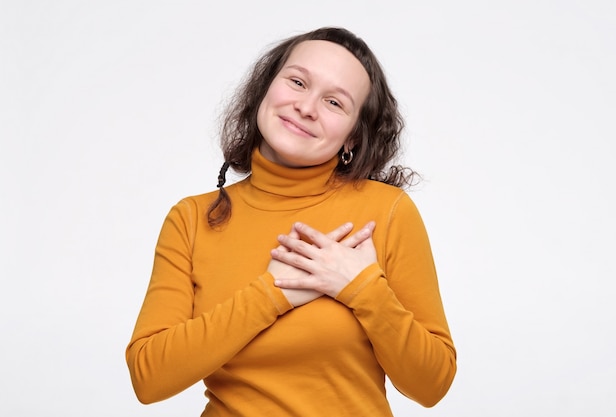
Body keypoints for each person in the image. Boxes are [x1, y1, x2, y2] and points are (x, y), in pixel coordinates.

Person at [126, 26, 456, 416]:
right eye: (298, 82)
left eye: (335, 103)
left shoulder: (387, 212)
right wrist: (272, 294)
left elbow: (431, 385)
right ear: (266, 88)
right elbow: (148, 378)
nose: (306, 107)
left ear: (352, 138)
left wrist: (362, 288)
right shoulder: (192, 219)